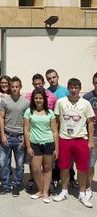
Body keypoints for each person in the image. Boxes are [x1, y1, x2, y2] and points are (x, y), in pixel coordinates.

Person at [53, 78, 95, 208]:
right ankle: (64, 191)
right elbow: (56, 120)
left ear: (79, 88)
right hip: (64, 139)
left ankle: (82, 193)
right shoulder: (60, 102)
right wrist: (56, 139)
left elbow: (90, 122)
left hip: (80, 139)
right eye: (71, 87)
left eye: (76, 87)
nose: (73, 90)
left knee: (82, 168)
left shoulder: (86, 103)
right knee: (64, 167)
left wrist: (90, 141)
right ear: (68, 88)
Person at [23, 88, 58, 204]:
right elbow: (26, 130)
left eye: (41, 98)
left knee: (48, 169)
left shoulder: (50, 113)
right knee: (36, 169)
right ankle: (40, 190)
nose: (38, 100)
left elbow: (54, 132)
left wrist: (57, 148)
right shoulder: (29, 112)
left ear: (44, 99)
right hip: (35, 144)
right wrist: (28, 147)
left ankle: (45, 192)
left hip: (48, 144)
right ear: (33, 99)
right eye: (36, 98)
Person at [0, 76, 29, 196]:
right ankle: (5, 185)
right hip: (7, 135)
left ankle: (16, 185)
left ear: (20, 87)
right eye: (13, 87)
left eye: (17, 86)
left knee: (20, 164)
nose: (15, 89)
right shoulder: (5, 101)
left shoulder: (26, 102)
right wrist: (2, 135)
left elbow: (28, 121)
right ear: (10, 88)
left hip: (20, 137)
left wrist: (26, 139)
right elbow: (1, 118)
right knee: (4, 163)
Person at [83, 72, 97, 204]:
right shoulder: (87, 97)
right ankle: (88, 188)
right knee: (90, 164)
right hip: (93, 136)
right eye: (96, 82)